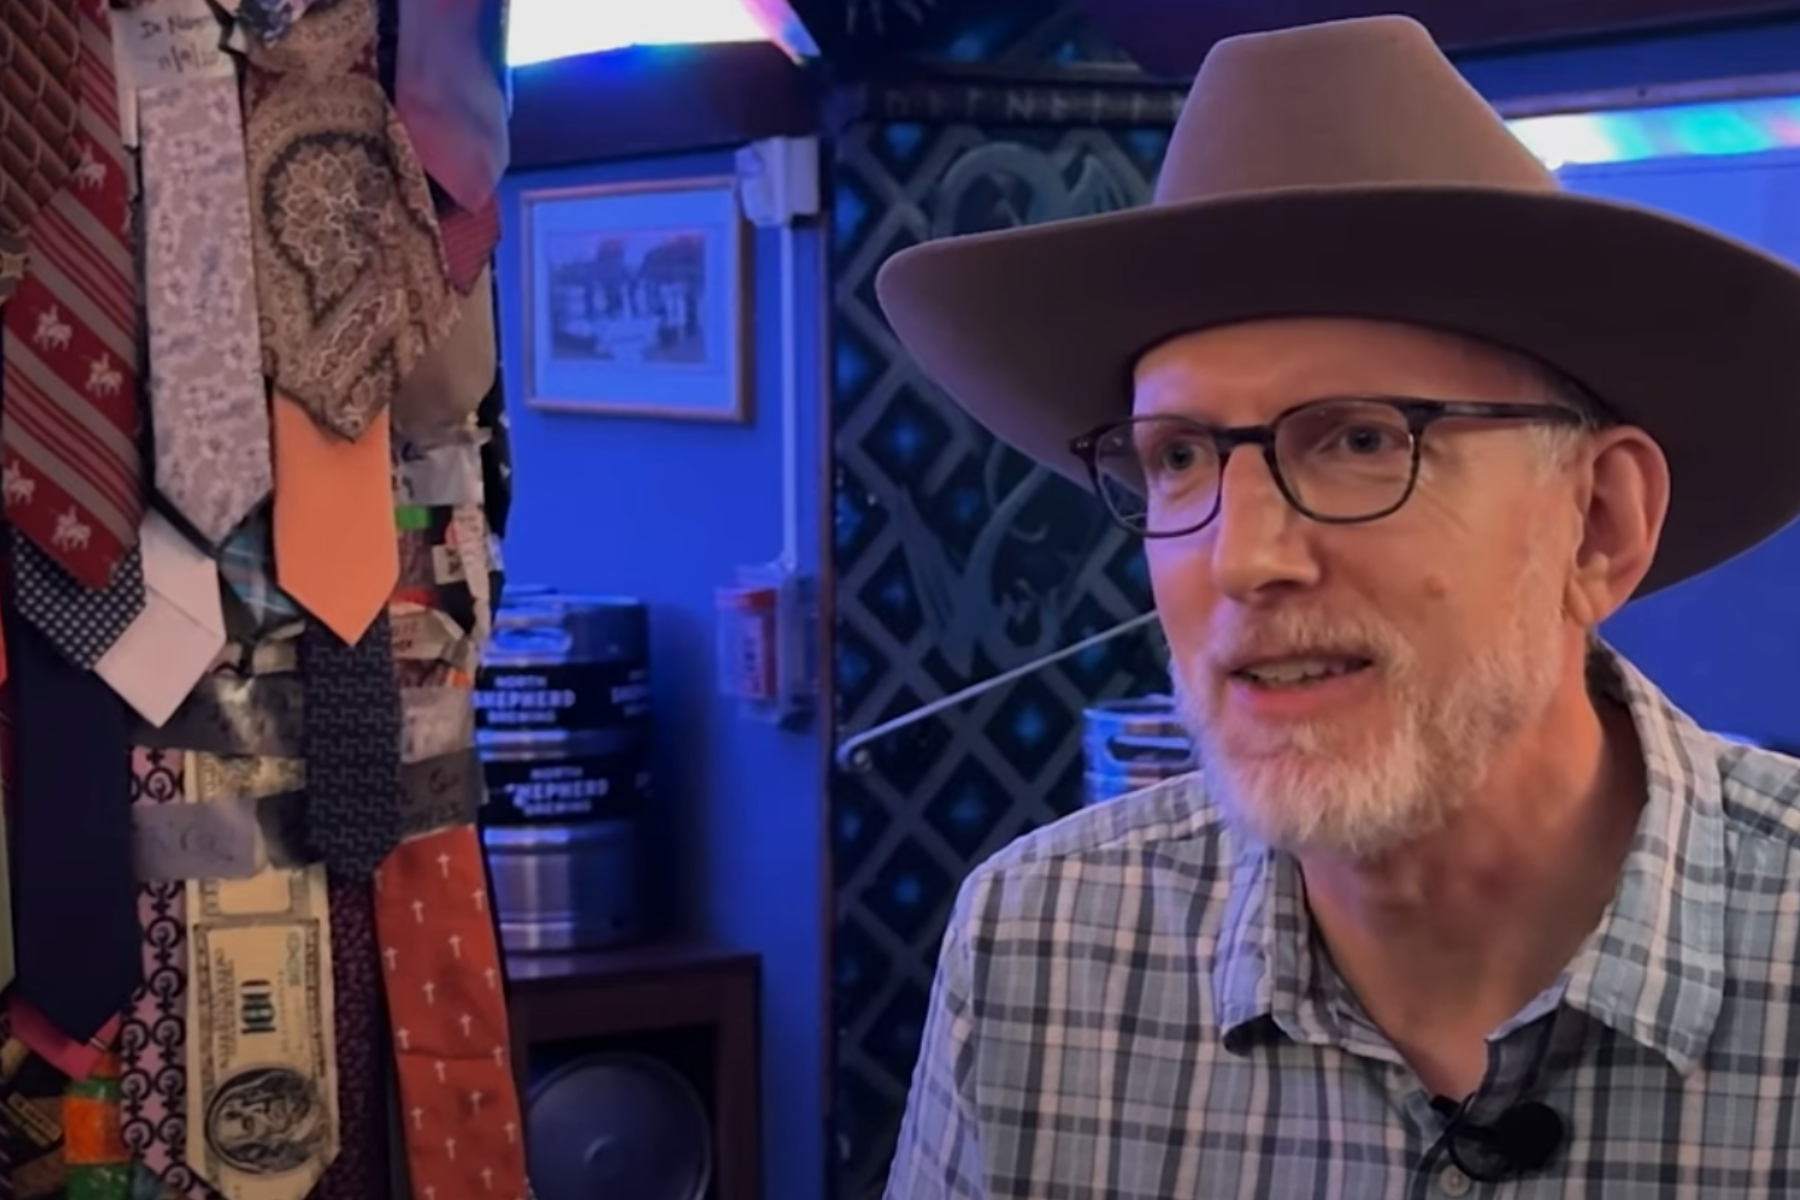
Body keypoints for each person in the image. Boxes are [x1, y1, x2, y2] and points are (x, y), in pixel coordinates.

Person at [873, 13, 1800, 1199]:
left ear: (1598, 523)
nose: (1245, 557)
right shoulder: (1040, 949)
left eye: (1363, 440)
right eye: (1179, 459)